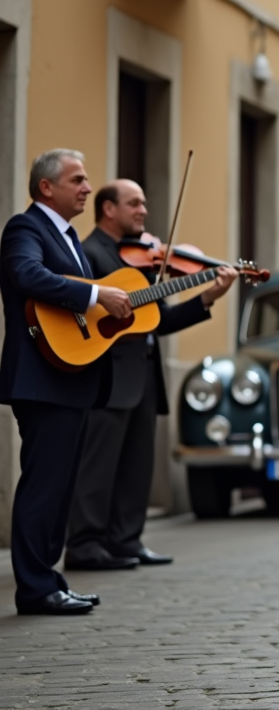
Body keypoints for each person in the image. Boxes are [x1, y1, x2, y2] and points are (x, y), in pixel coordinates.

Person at [64, 180, 237, 571]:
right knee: (98, 466)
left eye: (143, 202)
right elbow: (77, 314)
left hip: (143, 374)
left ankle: (126, 541)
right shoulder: (89, 254)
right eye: (134, 203)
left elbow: (156, 322)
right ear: (108, 209)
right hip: (106, 377)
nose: (143, 210)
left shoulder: (140, 260)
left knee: (137, 464)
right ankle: (85, 545)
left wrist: (207, 297)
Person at [0, 149, 132, 615]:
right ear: (46, 188)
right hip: (41, 378)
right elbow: (26, 274)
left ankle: (49, 580)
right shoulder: (25, 228)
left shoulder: (69, 236)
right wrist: (97, 292)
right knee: (42, 487)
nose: (87, 188)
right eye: (77, 179)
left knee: (60, 489)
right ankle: (35, 588)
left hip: (71, 378)